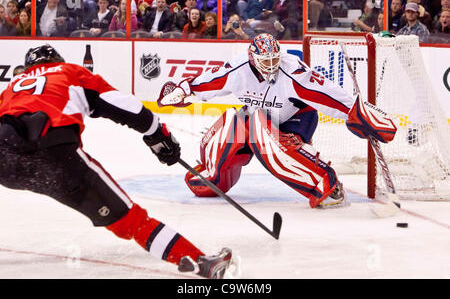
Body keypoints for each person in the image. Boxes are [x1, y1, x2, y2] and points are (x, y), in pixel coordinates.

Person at [0, 44, 234, 279]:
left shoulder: (10, 88)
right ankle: (200, 262)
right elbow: (125, 107)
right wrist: (157, 134)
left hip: (4, 157)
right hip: (55, 154)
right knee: (131, 221)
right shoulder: (69, 71)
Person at [158, 33, 397, 209]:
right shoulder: (237, 70)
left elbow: (329, 95)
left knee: (271, 141)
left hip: (296, 119)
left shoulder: (294, 73)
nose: (271, 65)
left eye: (274, 59)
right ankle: (214, 176)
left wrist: (357, 113)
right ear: (253, 59)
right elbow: (210, 82)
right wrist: (184, 89)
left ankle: (327, 184)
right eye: (266, 61)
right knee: (233, 125)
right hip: (256, 117)